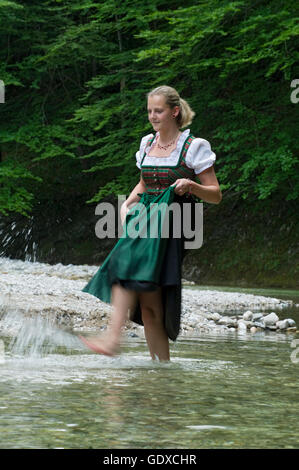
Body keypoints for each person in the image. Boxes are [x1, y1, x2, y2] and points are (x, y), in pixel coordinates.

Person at [79, 85, 222, 361]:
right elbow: (146, 182)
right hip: (146, 217)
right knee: (148, 301)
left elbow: (215, 194)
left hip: (177, 221)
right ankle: (161, 370)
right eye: (149, 111)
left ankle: (112, 338)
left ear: (174, 112)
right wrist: (127, 203)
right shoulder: (147, 144)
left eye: (159, 111)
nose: (153, 116)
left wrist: (191, 185)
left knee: (127, 265)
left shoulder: (195, 147)